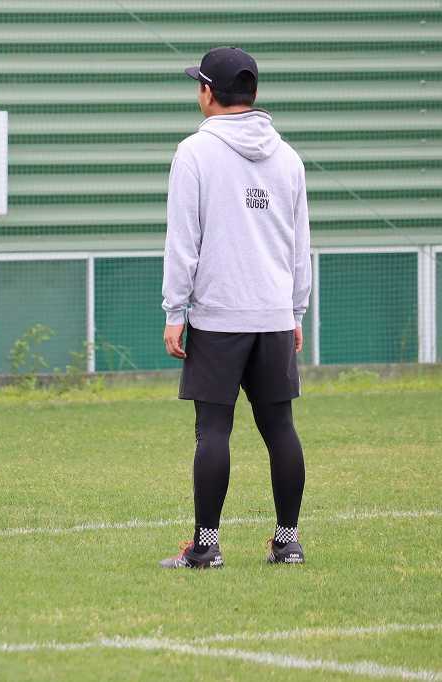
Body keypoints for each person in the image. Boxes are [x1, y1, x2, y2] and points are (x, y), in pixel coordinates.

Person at [159, 47, 311, 569]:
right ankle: (287, 541)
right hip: (273, 315)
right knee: (280, 428)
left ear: (208, 92)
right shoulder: (288, 157)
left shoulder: (195, 153)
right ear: (254, 92)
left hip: (218, 315)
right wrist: (295, 310)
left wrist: (175, 310)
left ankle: (206, 547)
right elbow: (300, 244)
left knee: (213, 430)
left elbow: (184, 239)